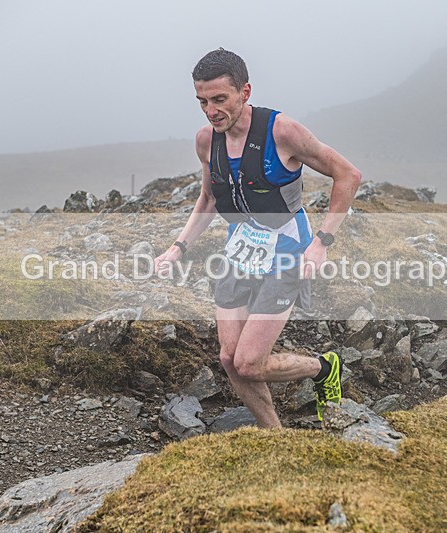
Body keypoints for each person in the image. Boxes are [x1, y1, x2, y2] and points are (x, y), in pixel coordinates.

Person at [154, 48, 361, 429]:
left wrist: (321, 243)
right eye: (202, 101)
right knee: (229, 359)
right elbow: (210, 198)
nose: (211, 111)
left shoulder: (282, 132)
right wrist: (177, 248)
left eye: (220, 99)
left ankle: (323, 368)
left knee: (249, 362)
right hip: (241, 251)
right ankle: (274, 436)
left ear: (245, 91)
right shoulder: (206, 140)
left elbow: (348, 175)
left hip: (287, 251)